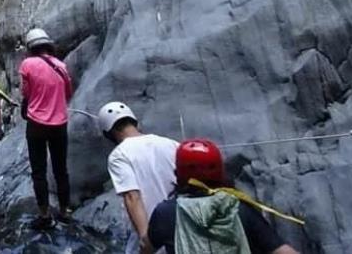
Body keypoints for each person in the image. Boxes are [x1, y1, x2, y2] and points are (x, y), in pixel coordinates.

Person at [146, 139, 300, 254]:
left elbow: (145, 248)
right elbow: (282, 251)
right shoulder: (238, 207)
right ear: (220, 171)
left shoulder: (165, 213)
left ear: (178, 174)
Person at [100, 101, 179, 254]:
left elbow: (132, 196)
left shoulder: (119, 155)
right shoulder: (172, 144)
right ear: (135, 122)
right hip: (181, 227)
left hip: (153, 232)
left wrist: (145, 239)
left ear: (108, 133)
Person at [19, 28, 74, 229]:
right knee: (61, 169)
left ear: (30, 47)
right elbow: (67, 93)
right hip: (60, 123)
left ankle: (44, 214)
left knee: (39, 170)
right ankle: (65, 210)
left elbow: (26, 92)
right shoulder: (61, 66)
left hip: (37, 123)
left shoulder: (27, 64)